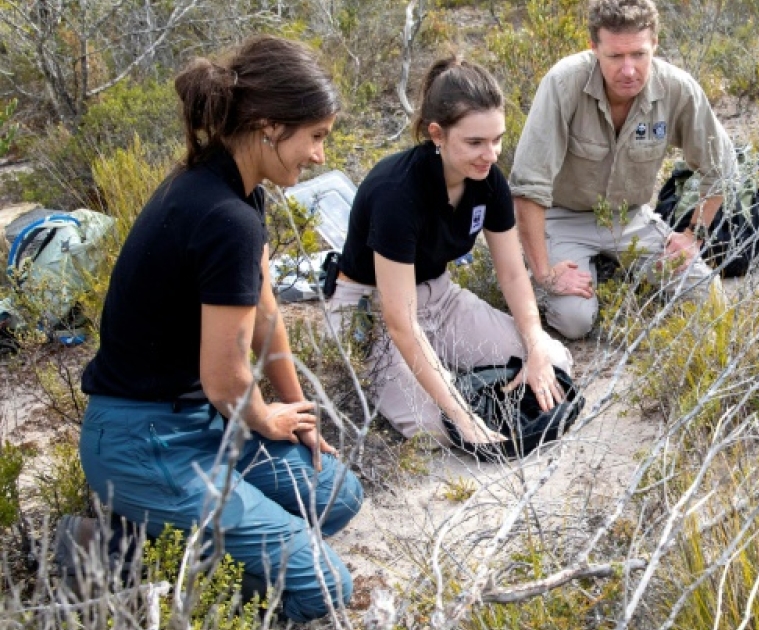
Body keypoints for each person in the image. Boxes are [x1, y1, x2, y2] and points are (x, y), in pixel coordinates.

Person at [75, 36, 362, 622]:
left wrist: (298, 413)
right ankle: (120, 553)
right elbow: (227, 382)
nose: (320, 156)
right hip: (146, 442)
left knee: (337, 494)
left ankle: (183, 537)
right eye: (316, 136)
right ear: (267, 127)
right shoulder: (223, 216)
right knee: (327, 587)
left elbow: (265, 316)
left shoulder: (236, 190)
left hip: (201, 426)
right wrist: (264, 416)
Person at [328, 57, 572, 444]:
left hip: (440, 297)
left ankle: (451, 376)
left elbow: (511, 273)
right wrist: (462, 415)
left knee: (553, 361)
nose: (490, 155)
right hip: (372, 310)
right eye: (475, 142)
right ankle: (446, 386)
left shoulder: (488, 181)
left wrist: (535, 343)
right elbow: (400, 321)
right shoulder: (396, 193)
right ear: (437, 134)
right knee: (435, 425)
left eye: (497, 139)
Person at [509, 0, 738, 340]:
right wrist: (545, 273)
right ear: (594, 48)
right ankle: (560, 273)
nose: (629, 70)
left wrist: (694, 236)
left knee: (710, 299)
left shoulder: (677, 88)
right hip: (563, 216)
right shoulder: (563, 83)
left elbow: (722, 167)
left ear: (655, 45)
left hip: (631, 217)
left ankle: (609, 270)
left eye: (639, 55)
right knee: (575, 322)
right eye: (615, 57)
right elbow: (528, 185)